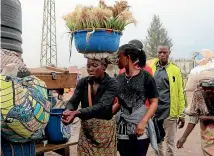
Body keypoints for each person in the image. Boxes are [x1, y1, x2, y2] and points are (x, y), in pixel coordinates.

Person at [61, 53, 119, 156]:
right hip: (86, 133)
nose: (90, 69)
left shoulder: (112, 83)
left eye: (94, 65)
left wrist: (77, 113)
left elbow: (102, 106)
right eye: (88, 66)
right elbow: (73, 101)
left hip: (105, 133)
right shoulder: (83, 82)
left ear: (104, 67)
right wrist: (68, 110)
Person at [114, 44, 159, 156]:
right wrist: (104, 115)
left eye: (119, 57)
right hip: (122, 128)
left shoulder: (146, 77)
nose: (117, 60)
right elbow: (119, 103)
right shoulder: (119, 79)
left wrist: (143, 122)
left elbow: (154, 102)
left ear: (127, 57)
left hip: (140, 126)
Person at [150, 45, 186, 156]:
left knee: (170, 142)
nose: (162, 54)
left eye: (164, 52)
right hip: (154, 112)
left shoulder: (175, 70)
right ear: (157, 53)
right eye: (160, 52)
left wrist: (182, 114)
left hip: (170, 111)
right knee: (157, 142)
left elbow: (180, 92)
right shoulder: (151, 68)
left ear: (169, 53)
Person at [177, 49, 214, 156]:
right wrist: (183, 137)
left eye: (211, 87)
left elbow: (200, 117)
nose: (209, 91)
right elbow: (194, 116)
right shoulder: (198, 93)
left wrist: (207, 118)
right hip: (208, 138)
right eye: (205, 87)